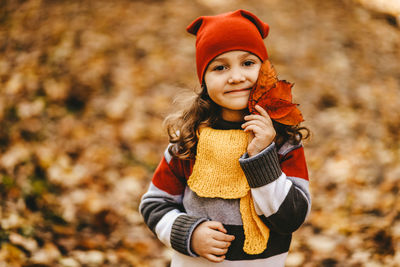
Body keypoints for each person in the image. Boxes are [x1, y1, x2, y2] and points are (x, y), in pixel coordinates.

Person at [139, 9, 311, 267]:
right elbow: (155, 204)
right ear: (204, 80)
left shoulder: (283, 143)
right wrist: (189, 232)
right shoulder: (188, 143)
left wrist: (262, 157)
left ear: (264, 71)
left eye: (248, 63)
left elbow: (291, 219)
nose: (236, 77)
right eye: (220, 67)